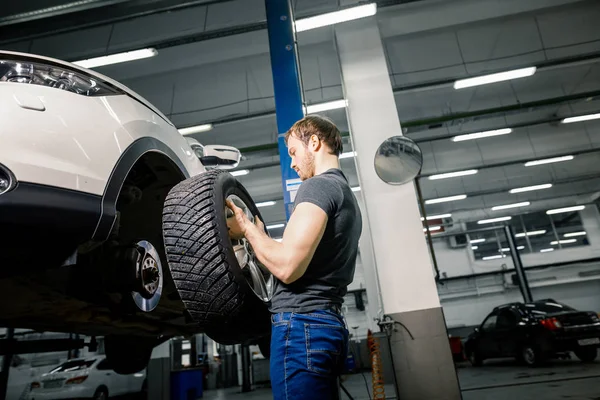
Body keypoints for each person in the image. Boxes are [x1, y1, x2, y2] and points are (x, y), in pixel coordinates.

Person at [226, 115, 362, 399]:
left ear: (314, 142)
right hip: (326, 325)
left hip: (302, 328)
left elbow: (288, 267)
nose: (292, 162)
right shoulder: (346, 195)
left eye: (293, 152)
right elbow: (298, 259)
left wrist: (247, 229)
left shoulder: (318, 187)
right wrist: (261, 239)